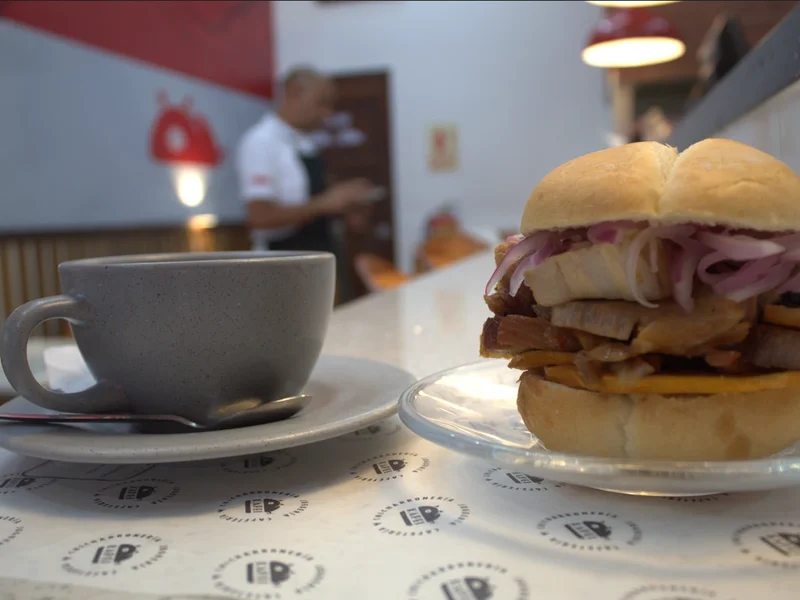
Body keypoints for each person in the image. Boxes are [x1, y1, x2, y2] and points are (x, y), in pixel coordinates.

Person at [235, 67, 373, 259]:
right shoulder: (261, 142)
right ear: (295, 92)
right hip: (282, 261)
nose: (327, 114)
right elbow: (259, 217)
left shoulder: (307, 142)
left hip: (319, 253)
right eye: (321, 103)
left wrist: (348, 203)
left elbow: (316, 197)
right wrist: (325, 203)